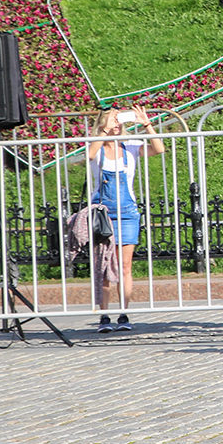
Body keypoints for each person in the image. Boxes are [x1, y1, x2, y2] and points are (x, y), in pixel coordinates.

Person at [88, 108, 166, 333]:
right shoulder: (97, 145)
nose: (116, 124)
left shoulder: (130, 145)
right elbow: (90, 155)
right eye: (113, 120)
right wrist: (104, 131)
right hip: (102, 212)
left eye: (118, 120)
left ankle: (124, 313)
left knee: (124, 265)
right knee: (103, 267)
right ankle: (104, 315)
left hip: (128, 211)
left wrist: (146, 124)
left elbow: (159, 149)